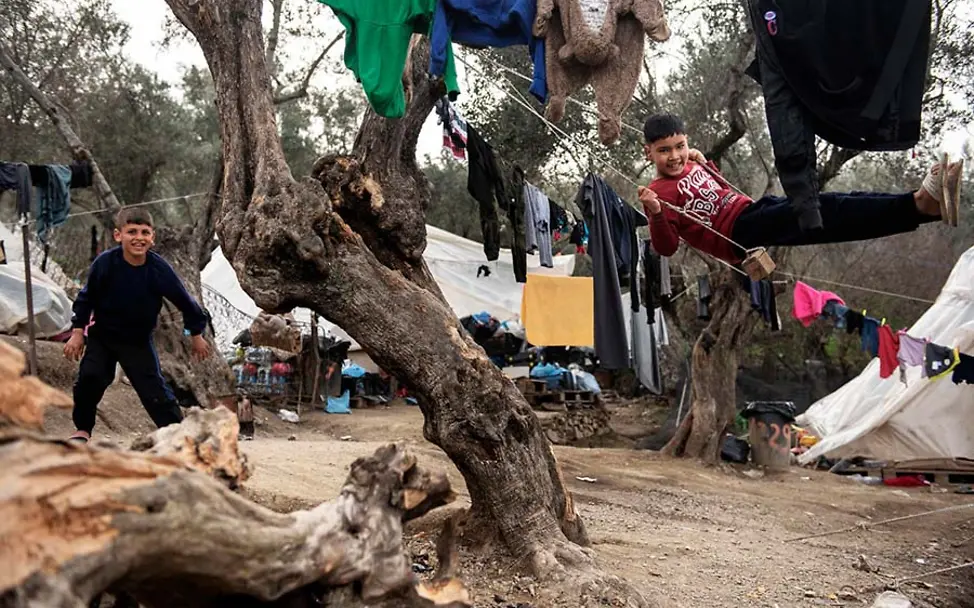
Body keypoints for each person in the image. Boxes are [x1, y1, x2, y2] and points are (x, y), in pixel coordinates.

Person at [637, 113, 964, 263]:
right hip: (740, 232)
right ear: (648, 152)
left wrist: (705, 164)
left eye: (679, 145)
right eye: (664, 150)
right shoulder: (658, 193)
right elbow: (666, 248)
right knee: (829, 210)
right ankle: (920, 204)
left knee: (833, 205)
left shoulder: (692, 162)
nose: (675, 156)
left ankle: (920, 207)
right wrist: (654, 214)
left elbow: (719, 191)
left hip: (752, 211)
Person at [63, 208, 211, 443]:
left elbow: (185, 301)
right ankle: (82, 429)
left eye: (144, 232)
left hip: (137, 341)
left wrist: (196, 333)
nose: (138, 237)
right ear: (118, 235)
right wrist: (78, 332)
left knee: (154, 391)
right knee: (90, 377)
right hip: (103, 336)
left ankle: (179, 436)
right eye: (131, 231)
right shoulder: (105, 264)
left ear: (152, 237)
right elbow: (86, 298)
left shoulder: (158, 269)